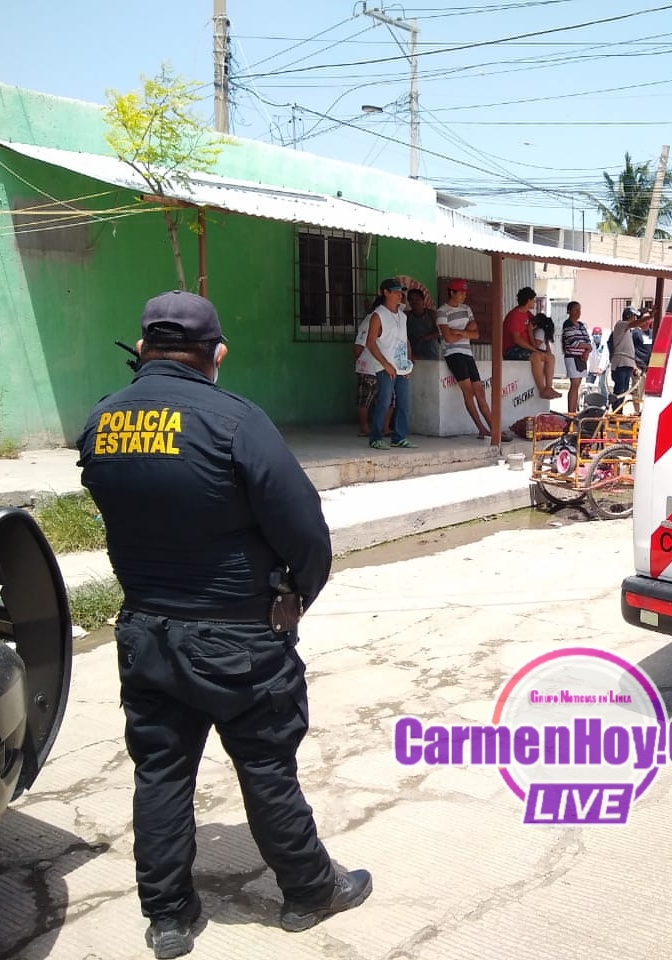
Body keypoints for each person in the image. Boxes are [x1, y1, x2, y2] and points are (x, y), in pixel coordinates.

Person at [75, 290, 371, 959]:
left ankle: (169, 916)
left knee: (161, 773)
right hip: (238, 639)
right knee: (266, 766)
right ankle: (309, 891)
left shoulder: (101, 420)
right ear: (217, 354)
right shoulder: (235, 420)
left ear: (143, 348)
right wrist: (296, 596)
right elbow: (306, 532)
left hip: (147, 631)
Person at [435, 278, 512, 441]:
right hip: (453, 354)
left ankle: (494, 429)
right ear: (452, 292)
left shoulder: (466, 309)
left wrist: (459, 332)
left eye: (465, 293)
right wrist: (465, 332)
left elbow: (476, 334)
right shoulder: (442, 311)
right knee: (468, 392)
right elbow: (448, 338)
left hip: (467, 353)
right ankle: (481, 428)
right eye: (461, 292)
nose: (464, 295)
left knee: (480, 392)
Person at [364, 277, 416, 449]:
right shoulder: (378, 315)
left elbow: (405, 341)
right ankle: (375, 438)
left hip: (401, 367)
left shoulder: (403, 316)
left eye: (400, 291)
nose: (399, 295)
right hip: (385, 367)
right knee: (384, 402)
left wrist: (408, 363)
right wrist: (386, 364)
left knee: (404, 404)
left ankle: (399, 437)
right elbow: (370, 343)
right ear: (385, 293)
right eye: (395, 292)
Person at [502, 286, 560, 399]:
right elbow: (517, 339)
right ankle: (542, 390)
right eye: (533, 300)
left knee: (550, 357)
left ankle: (549, 388)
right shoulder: (514, 316)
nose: (534, 302)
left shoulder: (527, 314)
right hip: (511, 349)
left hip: (526, 348)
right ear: (528, 300)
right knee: (536, 356)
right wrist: (533, 349)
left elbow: (540, 323)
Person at [609, 305, 648, 411]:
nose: (635, 319)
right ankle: (616, 411)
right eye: (634, 316)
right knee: (620, 389)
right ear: (629, 316)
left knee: (624, 390)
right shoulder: (621, 325)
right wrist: (649, 317)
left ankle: (618, 411)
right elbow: (635, 323)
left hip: (627, 364)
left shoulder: (629, 331)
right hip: (620, 364)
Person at [352, 301, 379, 437]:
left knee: (385, 399)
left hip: (381, 367)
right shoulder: (369, 321)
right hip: (368, 367)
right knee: (365, 398)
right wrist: (359, 363)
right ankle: (364, 428)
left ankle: (383, 427)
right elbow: (358, 346)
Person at [560, 302, 592, 413]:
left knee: (577, 385)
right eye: (575, 310)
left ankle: (573, 411)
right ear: (569, 311)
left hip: (581, 358)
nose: (578, 312)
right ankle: (571, 412)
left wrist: (587, 351)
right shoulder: (567, 324)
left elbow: (588, 340)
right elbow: (573, 342)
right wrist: (587, 347)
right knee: (574, 384)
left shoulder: (581, 325)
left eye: (579, 310)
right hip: (572, 357)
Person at [404, 286, 442, 362]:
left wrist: (429, 337)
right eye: (411, 300)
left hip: (430, 353)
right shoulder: (406, 316)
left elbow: (441, 332)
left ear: (423, 300)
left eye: (417, 299)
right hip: (413, 354)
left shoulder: (431, 314)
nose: (414, 302)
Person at [585, 324, 610, 403]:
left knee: (602, 384)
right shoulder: (590, 344)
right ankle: (587, 401)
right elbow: (587, 357)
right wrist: (586, 369)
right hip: (592, 369)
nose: (597, 336)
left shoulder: (604, 344)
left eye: (599, 334)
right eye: (595, 334)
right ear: (592, 335)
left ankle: (605, 402)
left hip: (602, 369)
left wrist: (600, 368)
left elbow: (604, 358)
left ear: (601, 335)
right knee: (588, 385)